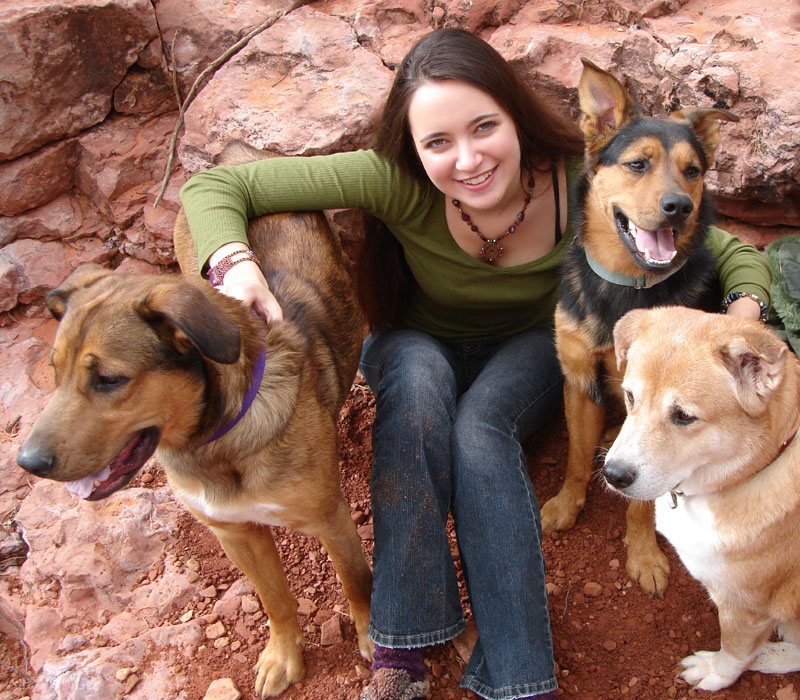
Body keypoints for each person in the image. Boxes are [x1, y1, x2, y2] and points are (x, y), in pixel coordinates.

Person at [179, 29, 771, 700]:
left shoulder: (592, 177)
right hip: (415, 341)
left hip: (526, 348)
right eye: (438, 143)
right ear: (414, 147)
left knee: (480, 430)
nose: (467, 159)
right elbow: (215, 187)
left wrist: (745, 309)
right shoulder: (391, 179)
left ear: (515, 115)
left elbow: (723, 247)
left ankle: (519, 679)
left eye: (484, 126)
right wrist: (234, 263)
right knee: (419, 394)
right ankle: (403, 645)